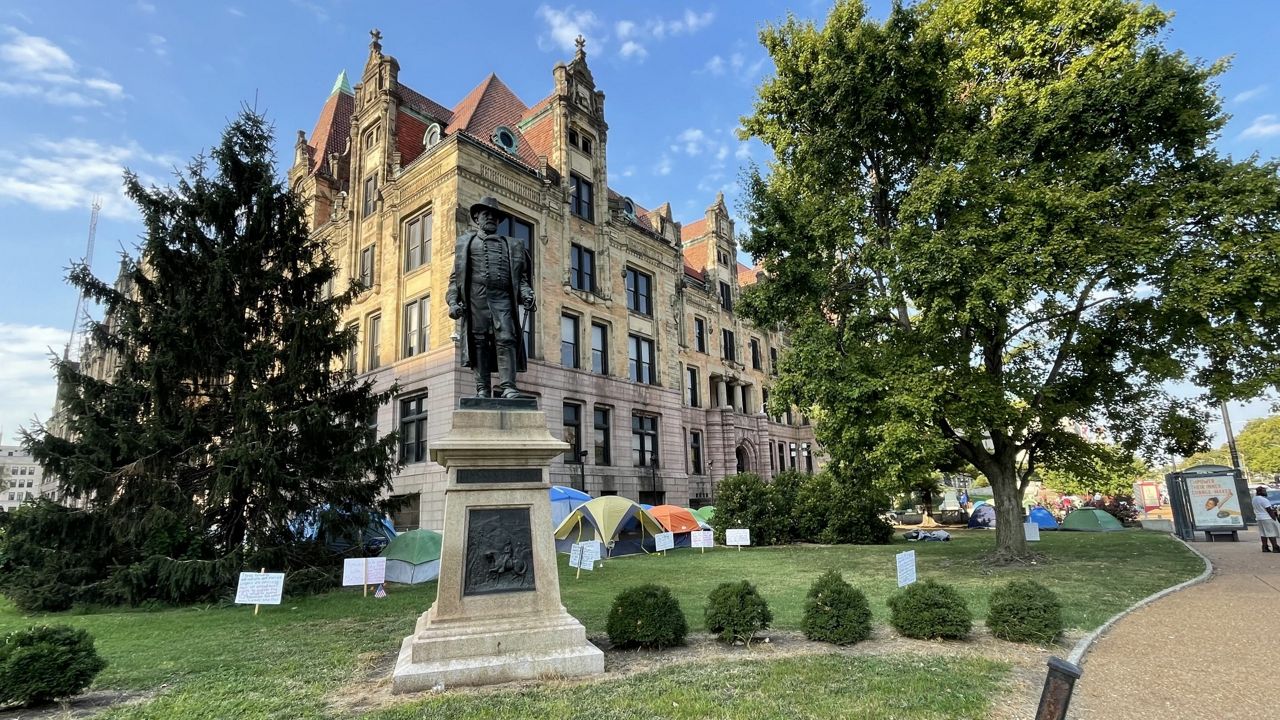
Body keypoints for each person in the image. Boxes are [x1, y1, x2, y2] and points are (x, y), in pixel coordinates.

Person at [447, 196, 536, 399]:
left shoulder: (513, 246)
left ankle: (508, 387)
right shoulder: (465, 244)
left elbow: (521, 279)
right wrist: (453, 302)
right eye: (486, 214)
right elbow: (455, 280)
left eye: (495, 216)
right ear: (476, 218)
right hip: (476, 301)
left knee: (506, 339)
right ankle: (482, 389)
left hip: (502, 300)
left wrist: (527, 294)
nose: (491, 218)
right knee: (479, 344)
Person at [1252, 486, 1280, 552]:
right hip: (1267, 518)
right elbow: (1269, 510)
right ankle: (1275, 547)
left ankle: (1264, 547)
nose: (1265, 492)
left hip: (1259, 518)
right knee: (1271, 532)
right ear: (1260, 492)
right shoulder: (1264, 500)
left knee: (1263, 533)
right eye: (1264, 491)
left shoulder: (1254, 499)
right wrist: (1275, 518)